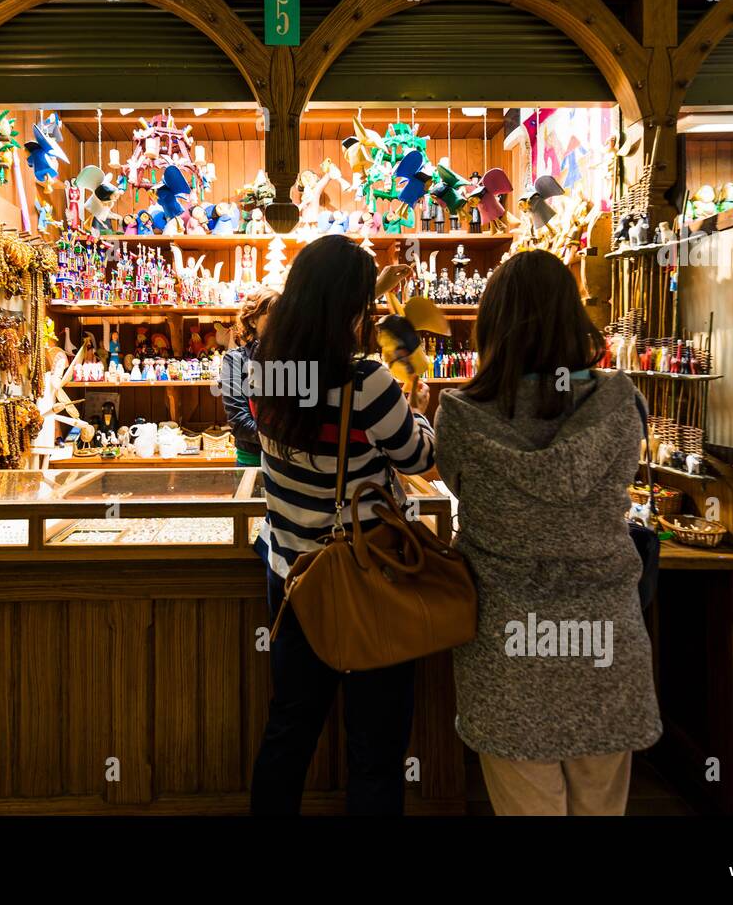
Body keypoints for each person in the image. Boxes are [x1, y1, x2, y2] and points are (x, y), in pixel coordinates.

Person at [433, 248, 662, 816]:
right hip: (605, 636)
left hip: (508, 643)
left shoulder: (459, 414)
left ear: (492, 324)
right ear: (573, 316)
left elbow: (460, 489)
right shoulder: (619, 400)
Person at [249, 234, 432, 816]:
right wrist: (419, 408)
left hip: (293, 577)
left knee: (289, 731)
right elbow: (420, 458)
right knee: (376, 748)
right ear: (353, 309)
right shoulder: (369, 382)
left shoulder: (262, 374)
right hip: (366, 579)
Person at [219, 287, 279, 467]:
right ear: (252, 321)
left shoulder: (292, 359)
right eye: (272, 319)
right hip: (252, 461)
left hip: (288, 462)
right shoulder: (235, 360)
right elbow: (239, 420)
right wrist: (282, 440)